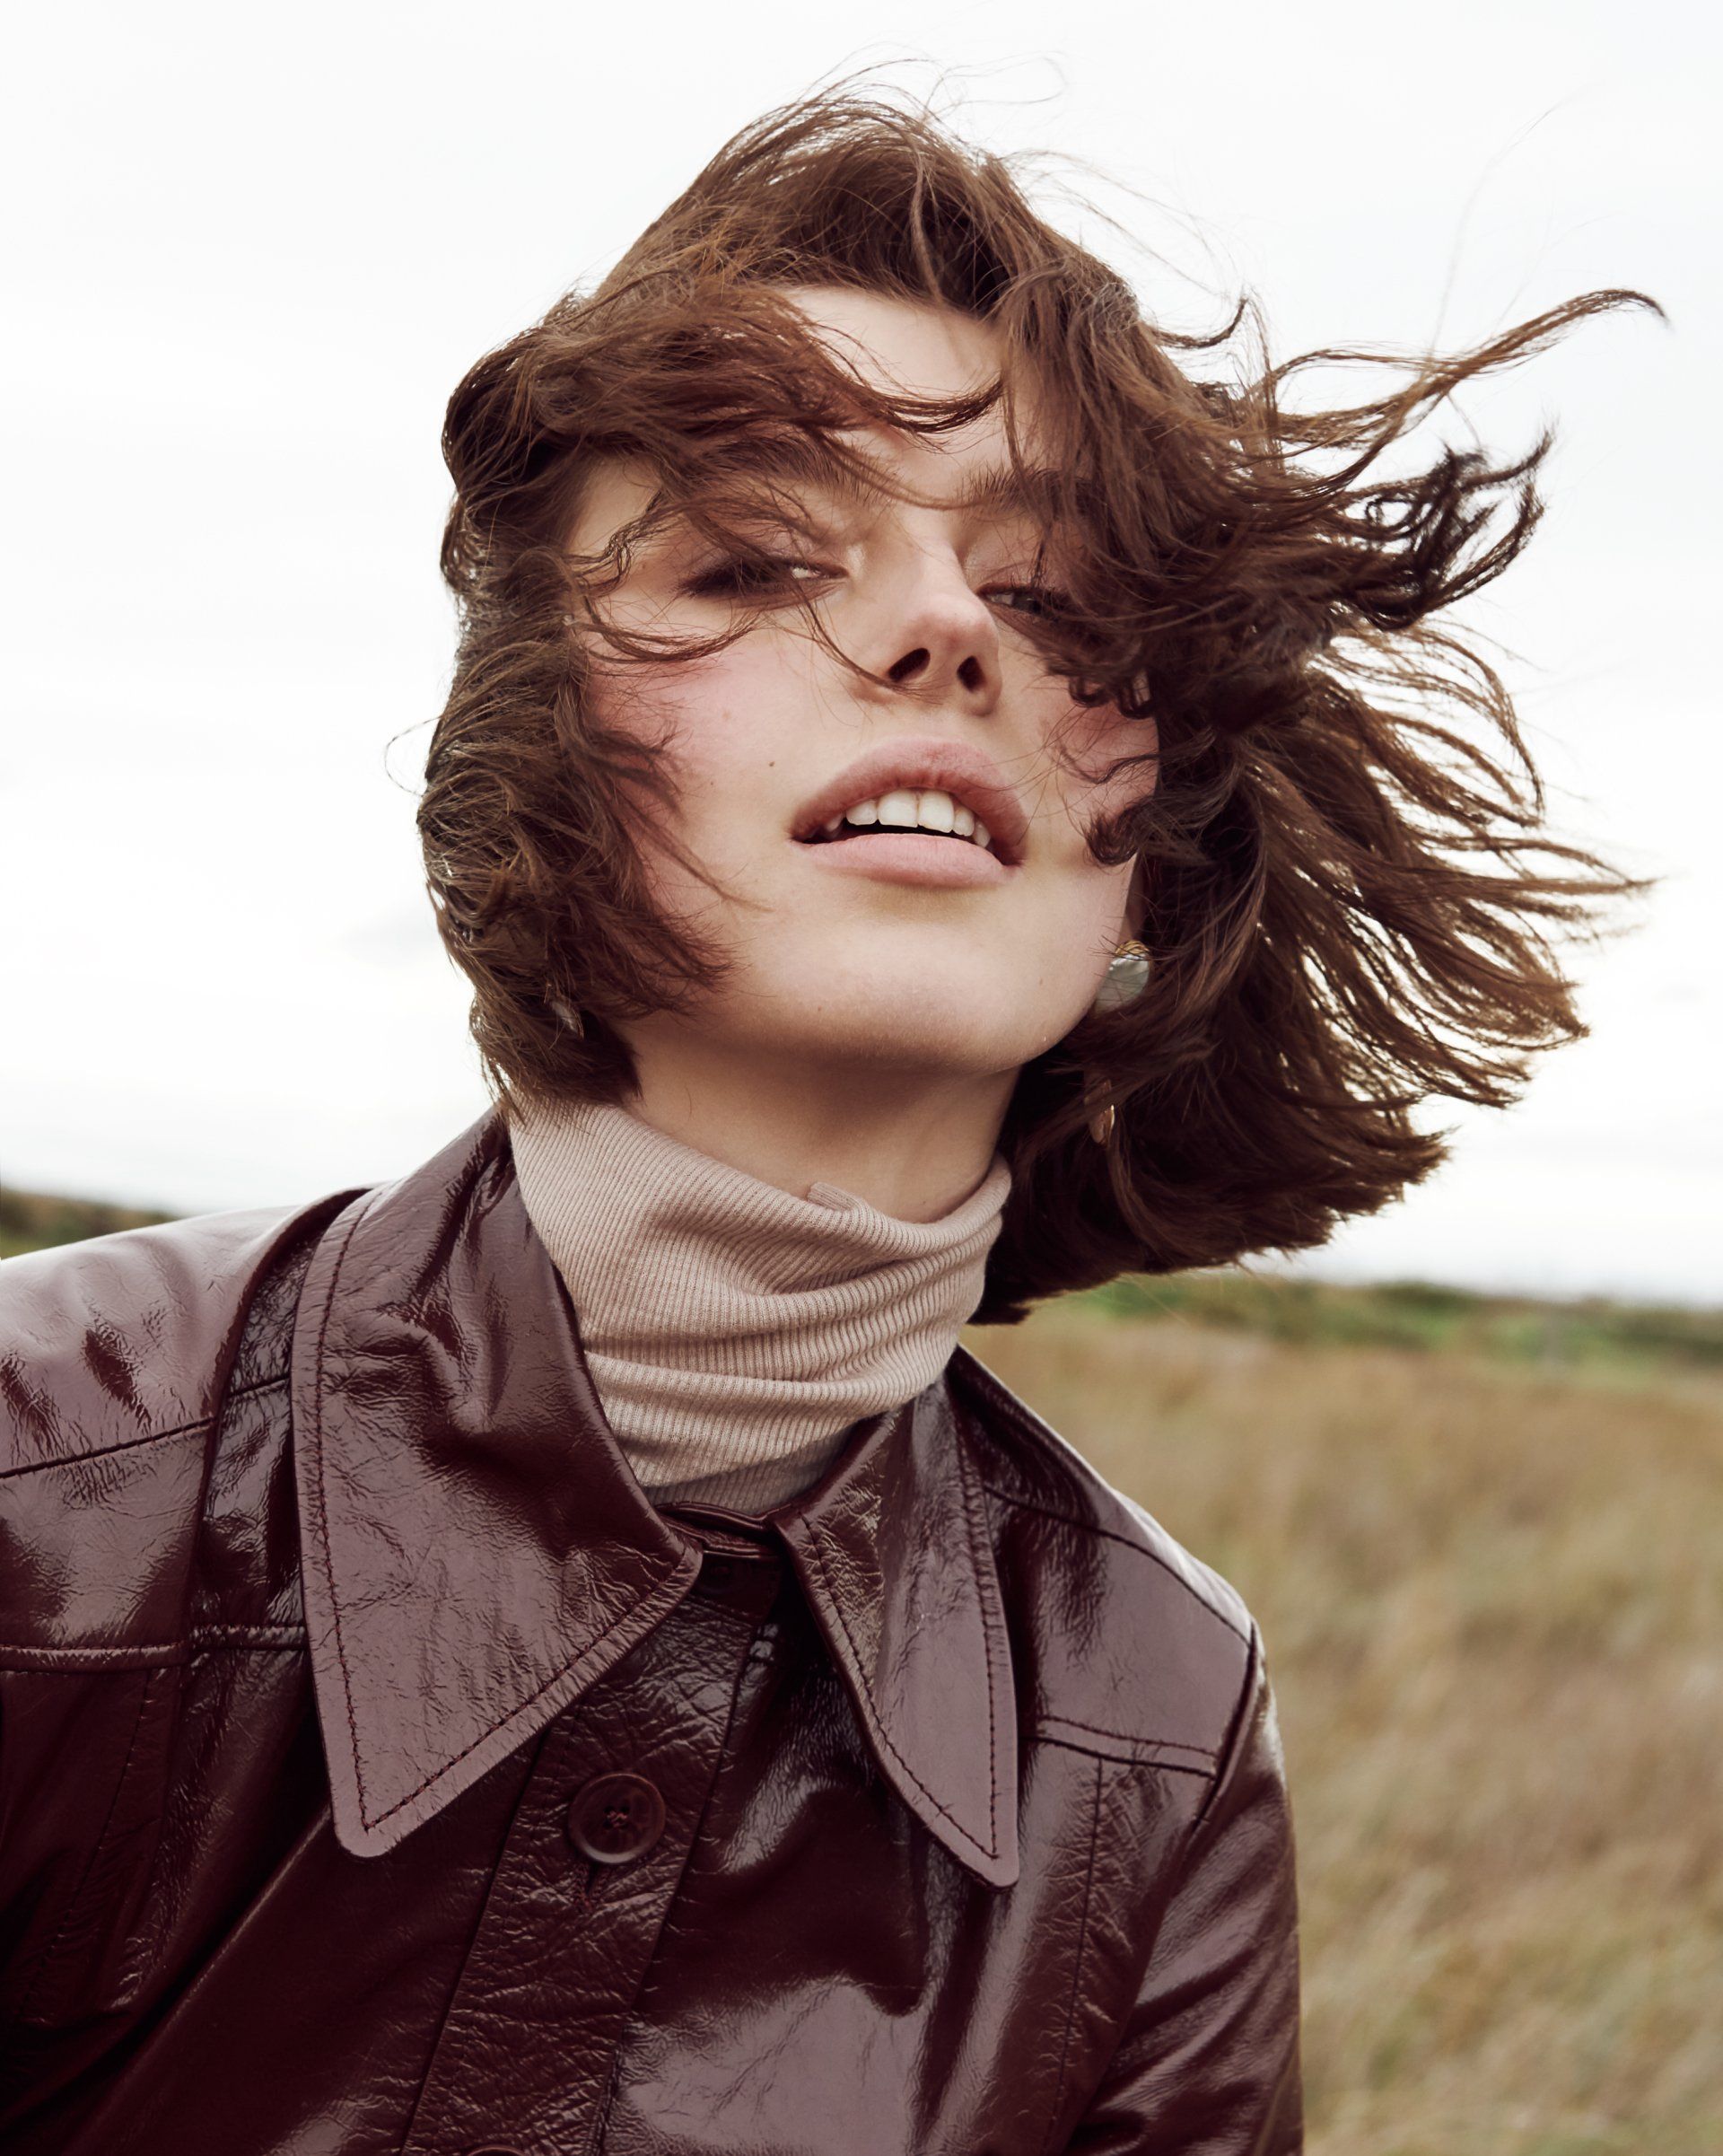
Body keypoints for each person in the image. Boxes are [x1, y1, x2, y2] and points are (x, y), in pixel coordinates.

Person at [0, 88, 1639, 2155]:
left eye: (1061, 599)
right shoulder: (38, 1482)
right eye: (756, 558)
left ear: (1146, 875)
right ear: (538, 767)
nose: (946, 629)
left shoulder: (1155, 1722)